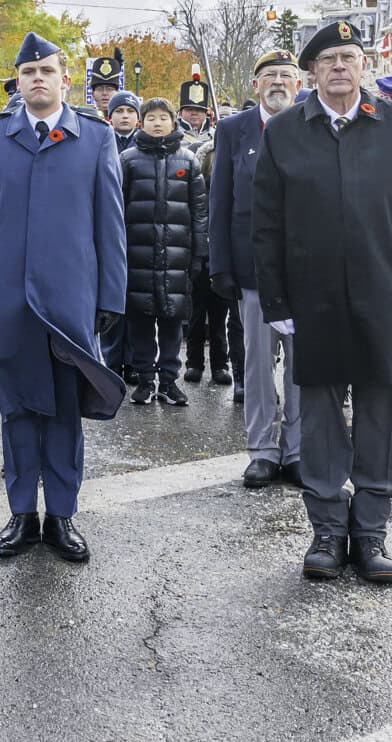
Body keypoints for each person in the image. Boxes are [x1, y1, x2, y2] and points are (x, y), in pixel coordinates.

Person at [253, 21, 392, 584]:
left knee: (381, 418)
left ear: (365, 66)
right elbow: (267, 225)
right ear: (312, 72)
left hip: (385, 295)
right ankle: (328, 532)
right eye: (328, 58)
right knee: (319, 422)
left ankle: (372, 532)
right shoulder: (285, 132)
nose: (339, 66)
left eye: (349, 57)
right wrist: (276, 298)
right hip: (313, 301)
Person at [0, 32, 125, 563]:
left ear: (64, 79)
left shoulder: (95, 139)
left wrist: (110, 298)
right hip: (6, 298)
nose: (37, 79)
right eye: (28, 72)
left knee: (63, 413)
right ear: (18, 80)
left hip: (69, 301)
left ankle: (61, 515)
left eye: (47, 71)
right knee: (17, 410)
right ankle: (20, 515)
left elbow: (110, 227)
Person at [210, 50, 304, 488]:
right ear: (256, 86)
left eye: (286, 75)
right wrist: (221, 265)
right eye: (270, 76)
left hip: (306, 269)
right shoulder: (233, 130)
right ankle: (263, 450)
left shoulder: (311, 124)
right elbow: (220, 202)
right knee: (258, 364)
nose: (279, 82)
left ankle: (299, 447)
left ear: (299, 84)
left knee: (302, 365)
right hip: (253, 271)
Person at [117, 97, 204, 406]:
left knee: (172, 323)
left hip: (176, 258)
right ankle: (144, 380)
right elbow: (116, 209)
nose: (157, 123)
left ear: (173, 122)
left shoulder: (188, 160)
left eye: (162, 118)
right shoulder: (127, 159)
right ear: (142, 122)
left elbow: (199, 212)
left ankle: (169, 380)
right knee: (139, 322)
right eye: (151, 117)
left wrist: (199, 254)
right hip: (136, 255)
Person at [177, 70, 235, 388]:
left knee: (221, 315)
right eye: (189, 110)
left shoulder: (226, 148)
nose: (194, 114)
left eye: (199, 110)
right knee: (196, 311)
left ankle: (221, 364)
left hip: (223, 244)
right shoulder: (199, 153)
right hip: (200, 241)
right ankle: (194, 362)